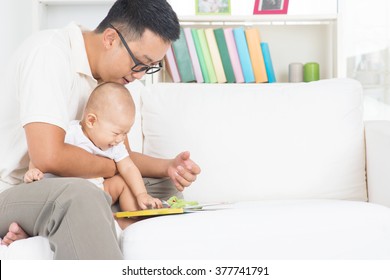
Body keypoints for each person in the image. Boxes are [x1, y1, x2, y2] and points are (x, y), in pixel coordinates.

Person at [0, 0, 200, 259]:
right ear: (110, 39)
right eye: (140, 62)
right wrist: (116, 169)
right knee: (81, 196)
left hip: (67, 184)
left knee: (163, 187)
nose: (139, 75)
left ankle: (62, 223)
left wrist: (169, 167)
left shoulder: (108, 78)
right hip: (17, 189)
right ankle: (70, 220)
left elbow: (120, 154)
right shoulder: (49, 54)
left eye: (149, 67)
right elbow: (48, 157)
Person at [23, 82, 163, 230]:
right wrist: (33, 170)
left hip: (99, 192)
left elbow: (128, 167)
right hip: (68, 195)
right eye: (116, 133)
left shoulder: (115, 145)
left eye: (125, 133)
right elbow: (41, 155)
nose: (121, 139)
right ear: (91, 121)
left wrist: (142, 194)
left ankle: (134, 217)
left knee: (122, 181)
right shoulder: (72, 134)